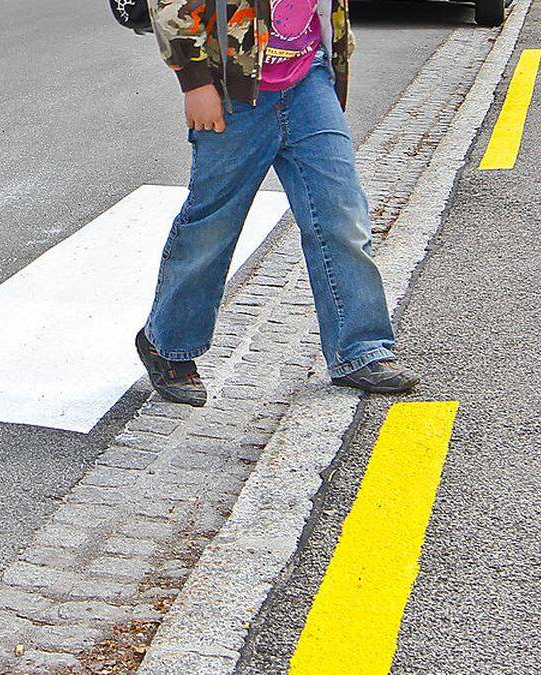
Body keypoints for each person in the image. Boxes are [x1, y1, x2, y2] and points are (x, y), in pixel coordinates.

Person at [136, 0, 421, 407]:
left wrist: (339, 57)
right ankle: (168, 345)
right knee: (213, 225)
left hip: (309, 80)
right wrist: (194, 80)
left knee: (341, 214)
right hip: (231, 88)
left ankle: (359, 348)